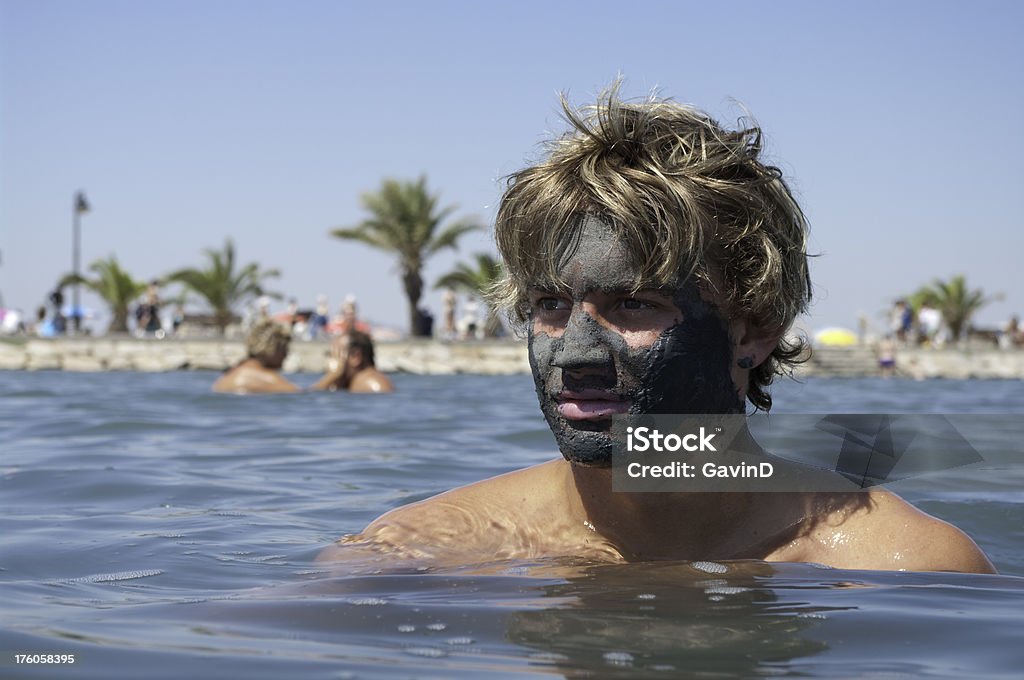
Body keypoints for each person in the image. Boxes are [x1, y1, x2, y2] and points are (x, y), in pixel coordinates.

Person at [319, 87, 994, 573]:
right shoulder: (428, 550)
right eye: (550, 306)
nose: (575, 353)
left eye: (635, 305)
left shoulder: (909, 567)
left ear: (754, 330)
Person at [315, 330, 394, 393]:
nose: (330, 362)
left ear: (355, 357)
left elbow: (312, 395)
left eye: (335, 355)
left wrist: (333, 375)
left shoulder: (365, 382)